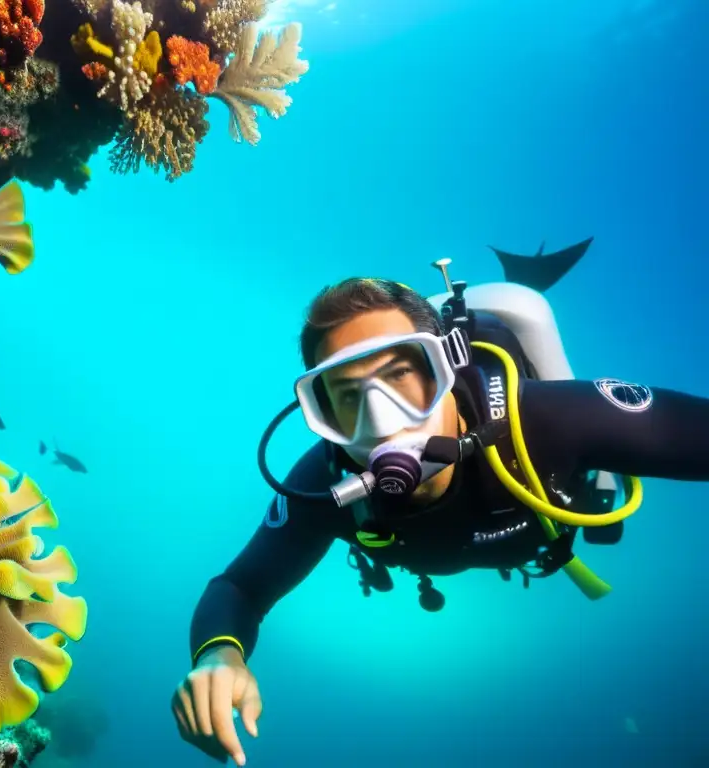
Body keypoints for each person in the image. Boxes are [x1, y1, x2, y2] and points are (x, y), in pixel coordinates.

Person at [170, 270, 709, 766]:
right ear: (322, 414)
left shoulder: (549, 420)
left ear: (447, 370)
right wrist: (219, 656)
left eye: (402, 375)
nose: (379, 421)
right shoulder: (325, 485)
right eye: (346, 396)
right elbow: (240, 587)